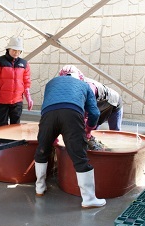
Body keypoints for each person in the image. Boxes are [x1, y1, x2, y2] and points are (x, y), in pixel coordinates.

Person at [34, 70, 106, 208]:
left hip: (48, 115)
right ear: (79, 77)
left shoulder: (51, 83)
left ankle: (40, 188)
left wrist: (50, 135)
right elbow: (95, 112)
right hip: (72, 115)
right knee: (79, 156)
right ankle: (89, 199)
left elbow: (49, 105)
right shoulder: (84, 85)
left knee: (42, 150)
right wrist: (88, 129)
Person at [58, 65, 123, 131]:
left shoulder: (89, 87)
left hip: (114, 103)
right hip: (98, 106)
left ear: (79, 78)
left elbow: (88, 112)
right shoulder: (69, 88)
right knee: (92, 132)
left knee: (115, 133)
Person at [0, 37, 33, 127]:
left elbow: (26, 80)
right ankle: (1, 141)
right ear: (8, 49)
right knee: (2, 124)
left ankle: (14, 141)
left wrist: (28, 96)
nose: (16, 53)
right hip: (2, 100)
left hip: (17, 100)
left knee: (15, 125)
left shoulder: (24, 64)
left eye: (18, 51)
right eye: (14, 50)